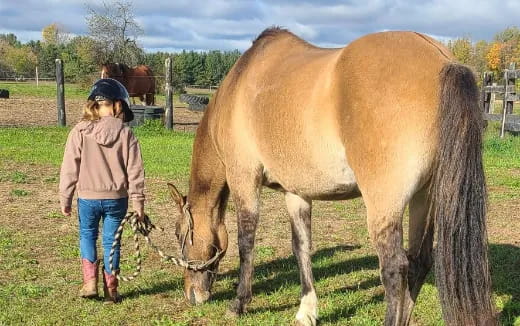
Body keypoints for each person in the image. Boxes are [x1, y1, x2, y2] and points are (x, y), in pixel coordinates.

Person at [59, 78, 145, 304]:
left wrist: (65, 198)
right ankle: (111, 290)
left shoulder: (79, 131)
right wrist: (139, 205)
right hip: (117, 200)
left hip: (87, 198)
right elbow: (135, 172)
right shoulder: (126, 134)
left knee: (87, 235)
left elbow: (70, 167)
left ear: (95, 104)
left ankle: (89, 283)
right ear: (118, 105)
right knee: (111, 243)